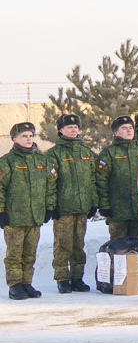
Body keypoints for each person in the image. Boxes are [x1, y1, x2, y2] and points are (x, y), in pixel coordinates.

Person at [1, 123, 56, 300]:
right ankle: (15, 285)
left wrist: (49, 207)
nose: (28, 139)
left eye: (31, 135)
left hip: (35, 216)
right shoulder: (7, 161)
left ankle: (26, 283)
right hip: (14, 217)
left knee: (30, 253)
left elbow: (51, 186)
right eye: (24, 136)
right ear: (15, 139)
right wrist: (1, 211)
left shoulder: (42, 161)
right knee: (14, 254)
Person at [46, 114, 96, 294]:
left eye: (76, 127)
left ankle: (77, 277)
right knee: (63, 245)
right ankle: (62, 278)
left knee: (78, 245)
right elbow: (50, 184)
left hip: (82, 208)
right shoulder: (53, 154)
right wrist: (52, 206)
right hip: (64, 209)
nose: (74, 130)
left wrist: (93, 203)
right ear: (60, 130)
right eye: (69, 127)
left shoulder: (85, 152)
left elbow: (92, 179)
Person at [94, 116, 138, 244]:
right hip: (118, 212)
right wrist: (104, 205)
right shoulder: (109, 152)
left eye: (130, 128)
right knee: (118, 248)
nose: (129, 130)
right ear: (115, 133)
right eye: (124, 128)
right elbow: (101, 180)